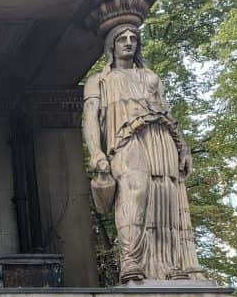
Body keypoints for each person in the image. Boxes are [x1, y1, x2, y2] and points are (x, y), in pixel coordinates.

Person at [82, 23, 203, 283]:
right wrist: (96, 153)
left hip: (160, 138)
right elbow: (90, 118)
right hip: (123, 141)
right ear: (112, 46)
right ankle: (130, 261)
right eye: (122, 39)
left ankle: (170, 265)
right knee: (134, 192)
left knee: (165, 195)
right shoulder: (98, 81)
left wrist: (183, 147)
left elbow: (167, 112)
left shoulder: (150, 77)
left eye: (133, 38)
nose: (128, 42)